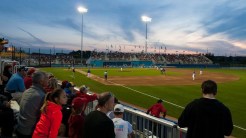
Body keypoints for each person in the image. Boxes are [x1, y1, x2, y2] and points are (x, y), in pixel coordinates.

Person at [16, 71, 48, 138]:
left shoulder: (26, 91)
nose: (48, 80)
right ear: (41, 81)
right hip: (29, 132)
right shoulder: (41, 95)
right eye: (46, 78)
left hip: (20, 128)